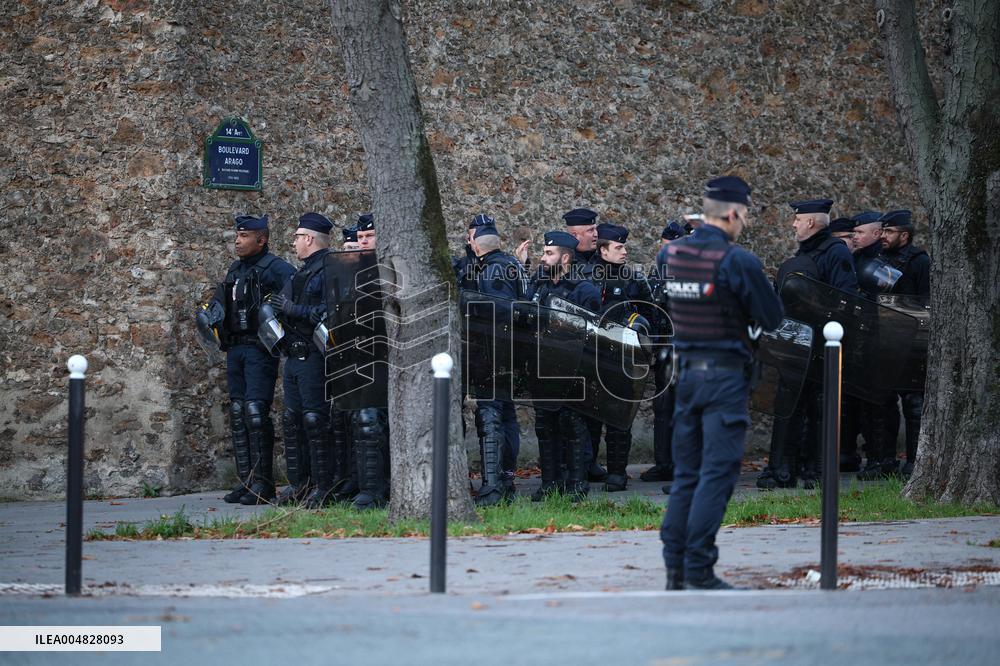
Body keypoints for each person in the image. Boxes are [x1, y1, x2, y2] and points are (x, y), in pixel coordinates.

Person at [660, 176, 783, 590]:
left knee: (686, 476)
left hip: (686, 376)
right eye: (744, 217)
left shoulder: (671, 255)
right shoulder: (737, 260)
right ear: (731, 213)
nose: (743, 224)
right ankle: (699, 568)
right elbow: (772, 318)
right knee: (717, 474)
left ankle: (675, 570)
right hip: (724, 378)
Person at [758, 198, 858, 490]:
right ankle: (782, 469)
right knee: (788, 405)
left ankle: (813, 470)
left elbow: (845, 300)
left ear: (811, 222)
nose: (793, 224)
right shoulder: (809, 252)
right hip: (796, 343)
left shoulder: (834, 252)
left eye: (798, 220)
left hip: (820, 345)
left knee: (818, 408)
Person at [201, 214, 295, 505]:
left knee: (256, 412)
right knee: (240, 412)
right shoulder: (235, 269)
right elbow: (221, 301)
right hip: (236, 348)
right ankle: (247, 482)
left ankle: (264, 485)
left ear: (261, 239)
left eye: (244, 237)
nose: (238, 242)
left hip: (259, 349)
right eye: (236, 236)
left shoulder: (277, 268)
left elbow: (295, 295)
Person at [527, 231, 602, 502]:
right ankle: (550, 483)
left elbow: (593, 334)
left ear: (565, 257)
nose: (543, 258)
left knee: (573, 426)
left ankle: (576, 484)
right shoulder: (539, 286)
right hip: (543, 367)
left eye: (549, 254)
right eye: (544, 253)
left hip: (573, 369)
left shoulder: (585, 290)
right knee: (545, 426)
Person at [270, 212, 334, 508]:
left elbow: (330, 312)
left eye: (297, 237)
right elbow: (279, 307)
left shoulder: (330, 269)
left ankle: (324, 486)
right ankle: (300, 484)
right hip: (293, 356)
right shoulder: (301, 272)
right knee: (292, 420)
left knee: (315, 420)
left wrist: (295, 310)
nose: (293, 242)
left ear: (309, 238)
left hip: (314, 357)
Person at [589, 222, 653, 491]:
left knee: (619, 416)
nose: (625, 251)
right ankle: (586, 468)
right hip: (590, 356)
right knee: (587, 417)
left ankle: (617, 472)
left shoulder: (633, 279)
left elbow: (652, 314)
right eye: (619, 247)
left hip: (623, 358)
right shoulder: (584, 276)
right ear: (603, 251)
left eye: (624, 246)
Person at [466, 223, 527, 504]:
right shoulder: (511, 264)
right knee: (506, 413)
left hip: (494, 349)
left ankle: (494, 486)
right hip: (509, 350)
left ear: (477, 245)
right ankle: (504, 481)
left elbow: (499, 309)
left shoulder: (493, 269)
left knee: (491, 414)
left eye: (470, 239)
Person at [879, 209, 930, 477]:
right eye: (883, 231)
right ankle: (884, 460)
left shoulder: (919, 261)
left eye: (889, 232)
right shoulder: (879, 258)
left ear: (905, 235)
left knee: (913, 404)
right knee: (883, 402)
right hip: (884, 339)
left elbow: (926, 301)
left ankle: (913, 462)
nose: (883, 236)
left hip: (911, 341)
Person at [349, 213, 391, 509]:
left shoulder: (390, 269)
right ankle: (367, 487)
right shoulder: (350, 270)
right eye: (361, 237)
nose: (363, 241)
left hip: (386, 355)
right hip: (357, 353)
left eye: (369, 236)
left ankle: (379, 488)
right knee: (361, 420)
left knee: (376, 421)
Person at [562, 207, 607, 481]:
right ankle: (575, 465)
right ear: (574, 233)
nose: (596, 234)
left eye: (595, 229)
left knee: (596, 408)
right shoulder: (566, 262)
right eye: (590, 230)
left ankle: (590, 462)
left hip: (598, 345)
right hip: (573, 347)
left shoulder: (601, 261)